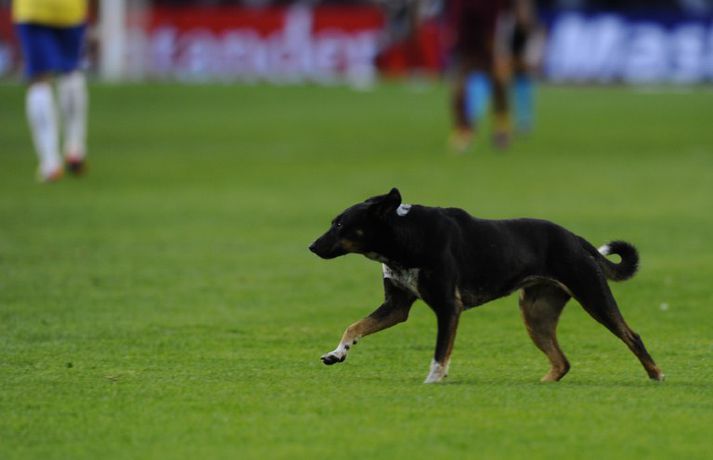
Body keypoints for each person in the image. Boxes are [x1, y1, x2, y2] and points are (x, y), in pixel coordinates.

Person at [13, 0, 89, 182]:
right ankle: (75, 148)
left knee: (39, 79)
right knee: (71, 71)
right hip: (70, 8)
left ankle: (50, 162)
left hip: (34, 9)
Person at [445, 0, 512, 153]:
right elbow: (455, 18)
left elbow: (498, 19)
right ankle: (464, 130)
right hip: (465, 49)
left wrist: (497, 49)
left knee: (499, 84)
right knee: (458, 90)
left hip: (487, 46)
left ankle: (501, 127)